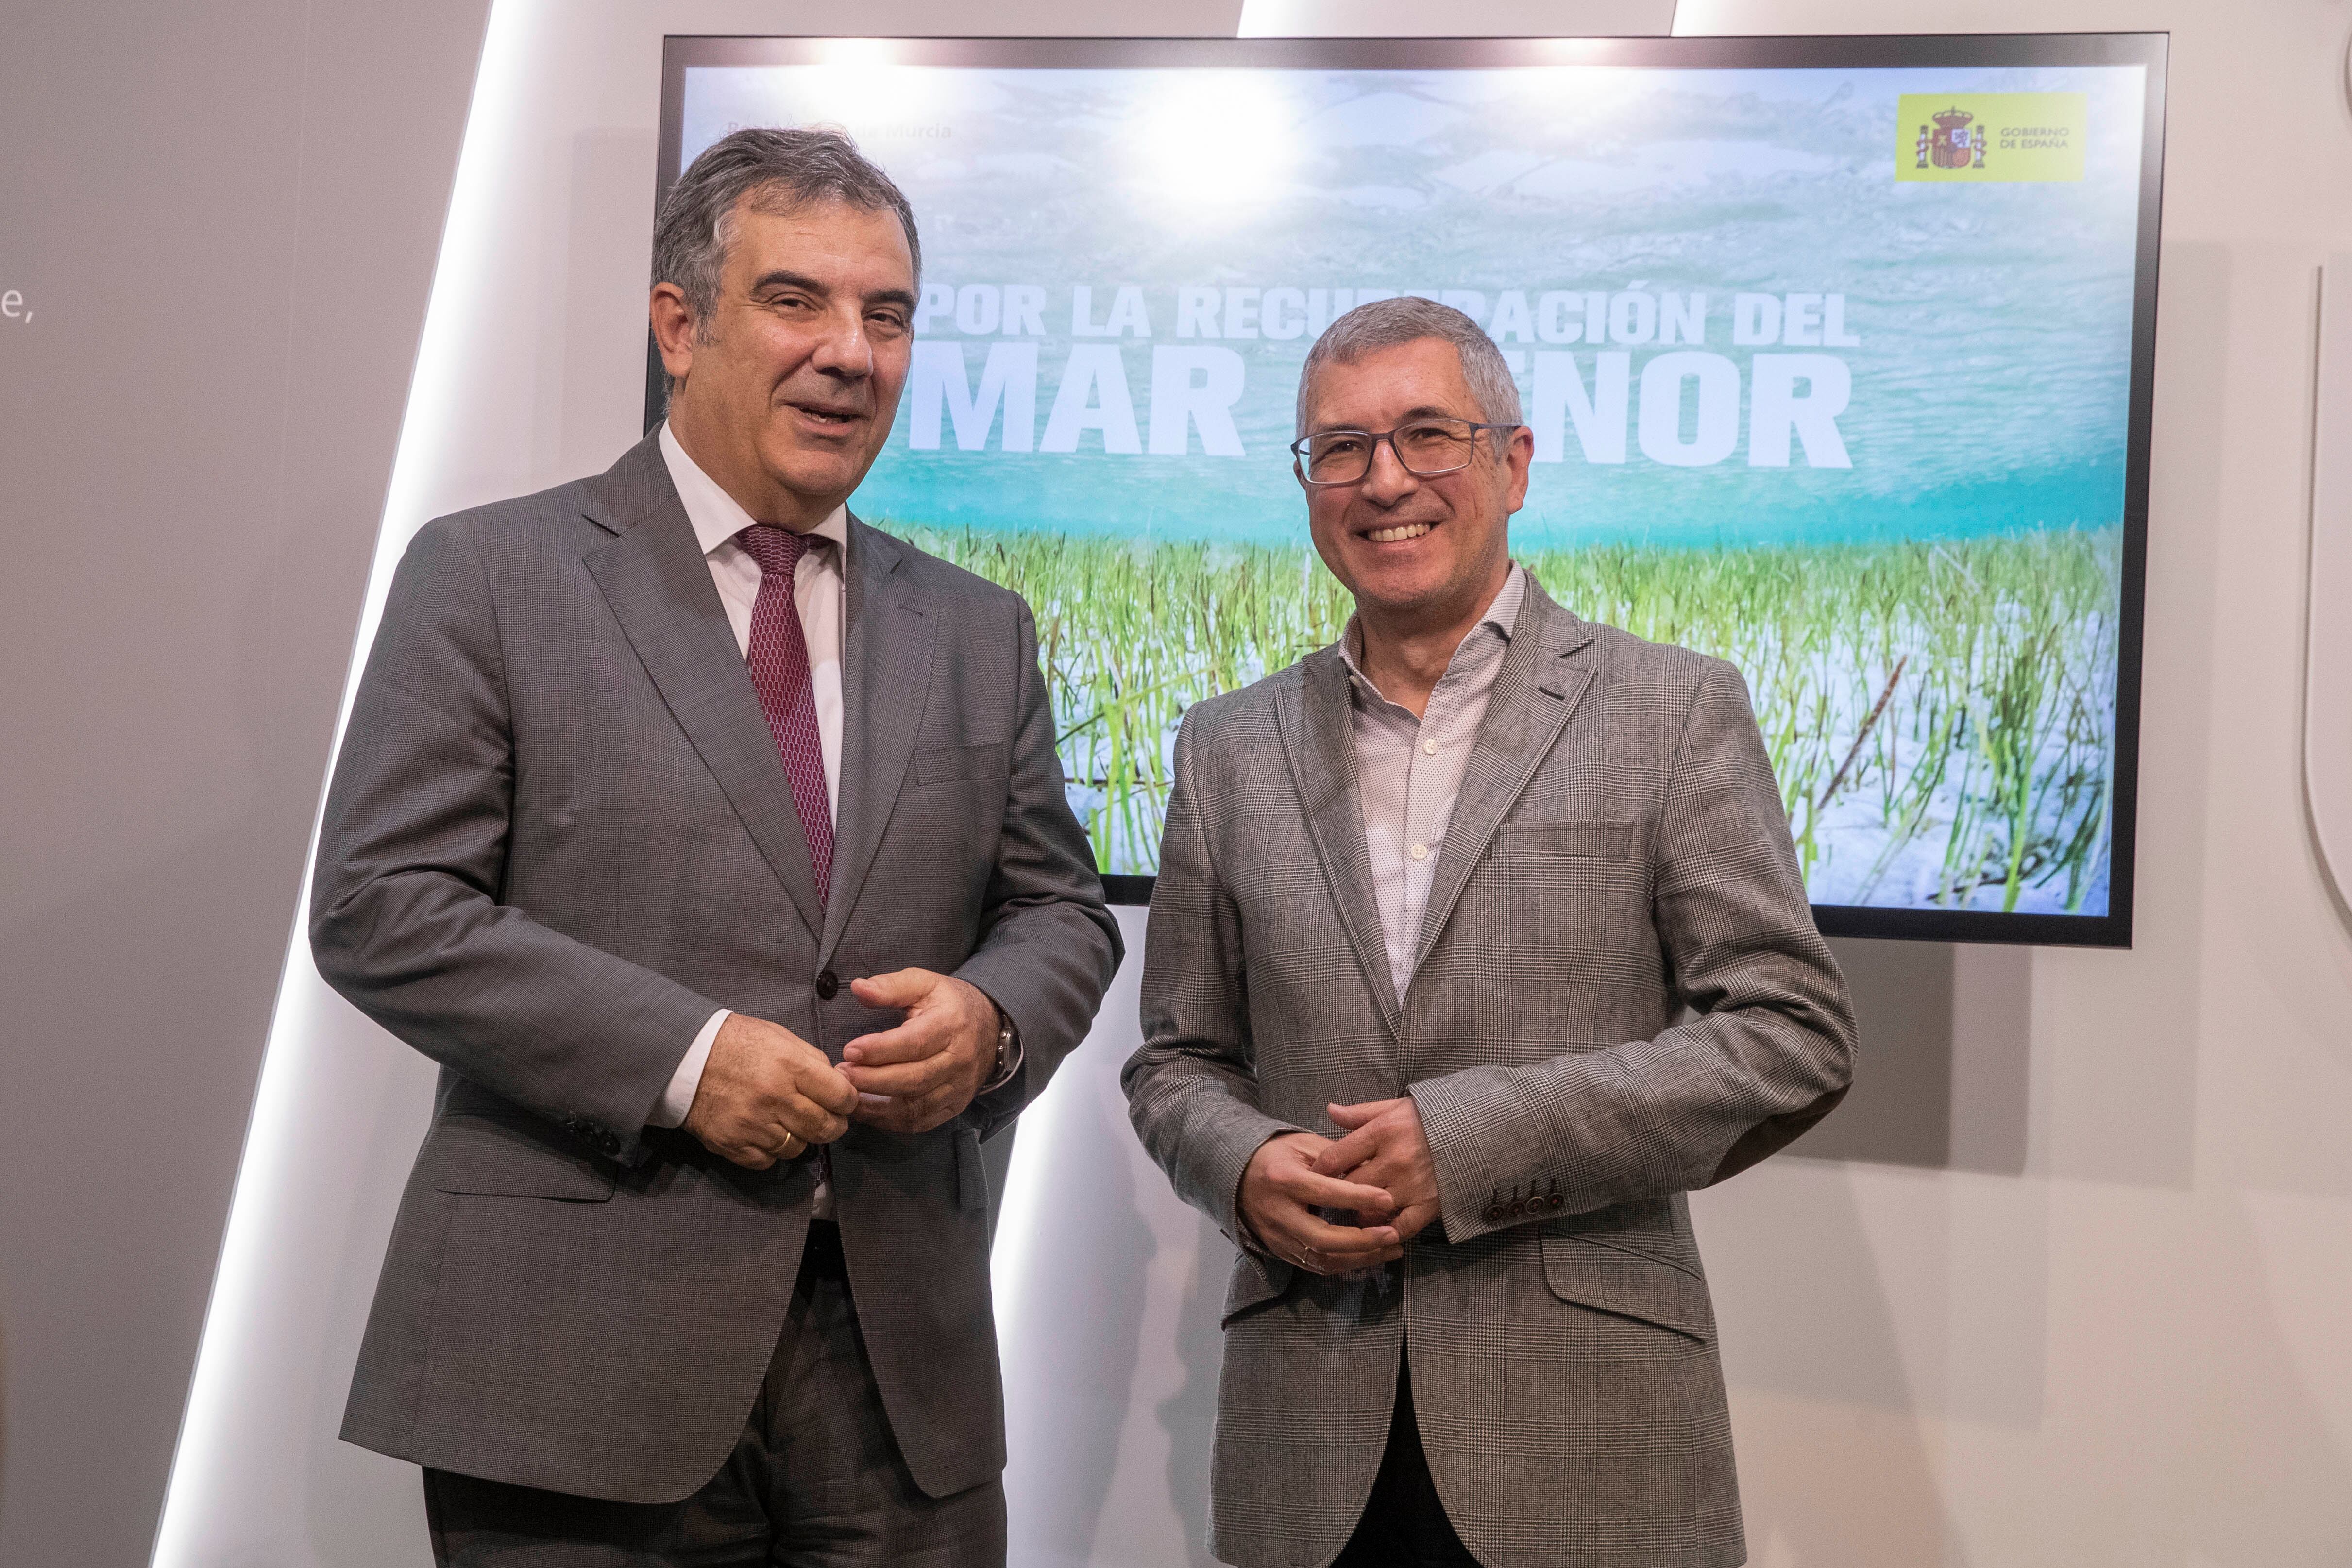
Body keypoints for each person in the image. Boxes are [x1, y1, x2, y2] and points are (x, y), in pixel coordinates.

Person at [312, 126, 1120, 1566]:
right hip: (576, 1364)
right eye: (796, 301)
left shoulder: (978, 631)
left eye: (886, 316)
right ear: (678, 326)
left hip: (898, 1376)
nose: (849, 353)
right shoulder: (491, 575)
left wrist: (991, 1023)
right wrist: (686, 1062)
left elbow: (1061, 915)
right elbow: (383, 906)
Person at [1122, 296, 1856, 1568]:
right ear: (1306, 484)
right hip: (1310, 1432)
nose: (1383, 479)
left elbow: (1787, 1036)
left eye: (1426, 434)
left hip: (1590, 1431)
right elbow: (1176, 1061)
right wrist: (1239, 1165)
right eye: (1338, 448)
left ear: (1512, 463)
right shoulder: (1224, 746)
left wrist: (1463, 1146)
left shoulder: (1668, 711)